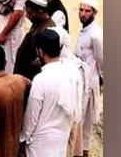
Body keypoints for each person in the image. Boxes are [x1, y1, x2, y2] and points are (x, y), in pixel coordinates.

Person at [21, 29, 79, 157]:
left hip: (39, 146)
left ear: (40, 52)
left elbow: (31, 120)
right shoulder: (71, 75)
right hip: (60, 143)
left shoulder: (41, 80)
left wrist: (22, 139)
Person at [74, 0, 103, 155]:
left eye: (87, 11)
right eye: (81, 10)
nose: (83, 14)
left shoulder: (96, 35)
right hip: (79, 81)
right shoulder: (83, 29)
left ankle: (83, 152)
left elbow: (102, 62)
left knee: (84, 123)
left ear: (94, 13)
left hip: (89, 83)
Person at [13, 0, 57, 80]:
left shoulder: (46, 29)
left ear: (40, 12)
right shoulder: (38, 23)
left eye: (30, 13)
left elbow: (41, 60)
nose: (27, 16)